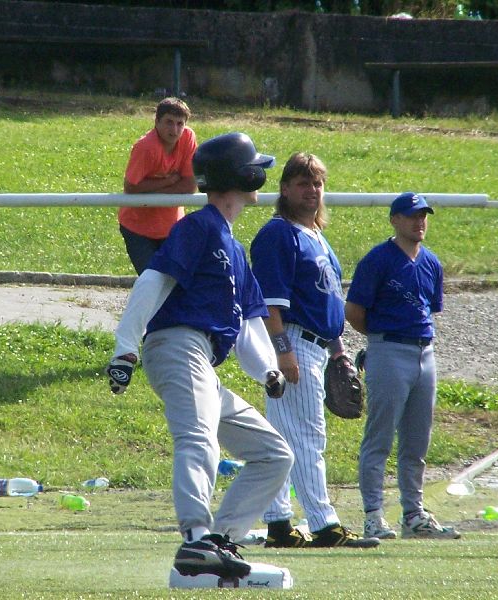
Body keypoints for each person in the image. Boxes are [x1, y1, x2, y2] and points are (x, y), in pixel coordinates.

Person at [106, 132, 294, 579]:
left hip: (202, 359)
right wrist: (125, 348)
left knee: (274, 453)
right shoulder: (197, 226)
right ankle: (195, 539)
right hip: (177, 344)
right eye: (255, 168)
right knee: (198, 437)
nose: (261, 174)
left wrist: (268, 368)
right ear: (241, 175)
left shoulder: (233, 245)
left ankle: (221, 541)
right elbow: (153, 282)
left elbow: (249, 324)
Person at [250, 153, 379, 549]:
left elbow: (329, 303)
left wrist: (339, 352)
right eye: (303, 183)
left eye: (317, 183)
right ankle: (324, 524)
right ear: (285, 189)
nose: (312, 190)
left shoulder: (315, 236)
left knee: (283, 441)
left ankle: (278, 525)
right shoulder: (278, 234)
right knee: (308, 437)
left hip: (318, 346)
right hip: (292, 343)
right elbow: (270, 305)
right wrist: (283, 352)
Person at [344, 192, 461, 540]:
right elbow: (354, 312)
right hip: (389, 349)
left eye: (424, 215)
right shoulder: (378, 260)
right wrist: (380, 342)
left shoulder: (431, 262)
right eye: (412, 215)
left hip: (425, 353)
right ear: (395, 219)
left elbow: (429, 308)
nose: (420, 221)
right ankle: (373, 515)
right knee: (379, 438)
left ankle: (413, 514)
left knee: (416, 441)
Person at [119, 97, 198, 274]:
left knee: (175, 283)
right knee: (151, 281)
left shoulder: (188, 137)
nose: (175, 129)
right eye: (169, 122)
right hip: (137, 227)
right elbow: (131, 187)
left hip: (171, 226)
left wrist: (151, 188)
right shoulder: (146, 147)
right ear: (156, 122)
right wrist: (169, 181)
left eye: (180, 123)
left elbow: (189, 187)